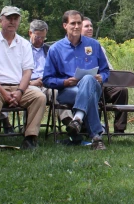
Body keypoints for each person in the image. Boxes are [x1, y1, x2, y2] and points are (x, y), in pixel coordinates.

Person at [0, 6, 47, 151]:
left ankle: (30, 138)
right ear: (0, 21)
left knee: (39, 97)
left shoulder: (24, 44)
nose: (12, 21)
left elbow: (27, 72)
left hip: (19, 87)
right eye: (8, 18)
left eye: (15, 19)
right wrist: (4, 93)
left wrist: (20, 91)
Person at [44, 10, 110, 150]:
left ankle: (78, 119)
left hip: (94, 87)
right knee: (89, 96)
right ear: (65, 26)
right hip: (68, 91)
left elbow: (105, 71)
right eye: (72, 23)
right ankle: (96, 137)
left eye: (79, 23)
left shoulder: (94, 45)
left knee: (88, 79)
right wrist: (65, 82)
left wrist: (101, 77)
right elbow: (47, 79)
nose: (76, 26)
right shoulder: (55, 49)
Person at [82, 16, 127, 133]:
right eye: (86, 26)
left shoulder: (98, 47)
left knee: (121, 90)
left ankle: (119, 129)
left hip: (102, 82)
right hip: (85, 84)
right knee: (92, 88)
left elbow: (108, 69)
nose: (90, 28)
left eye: (91, 26)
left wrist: (103, 76)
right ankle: (92, 128)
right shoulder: (76, 47)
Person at [28, 19, 73, 125]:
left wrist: (49, 79)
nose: (41, 40)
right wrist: (30, 82)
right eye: (38, 37)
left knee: (58, 93)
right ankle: (29, 126)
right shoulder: (22, 49)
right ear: (30, 33)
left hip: (47, 83)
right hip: (29, 84)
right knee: (35, 94)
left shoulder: (50, 50)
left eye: (43, 37)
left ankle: (69, 121)